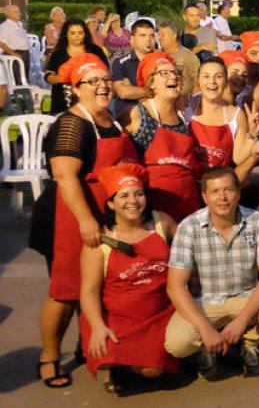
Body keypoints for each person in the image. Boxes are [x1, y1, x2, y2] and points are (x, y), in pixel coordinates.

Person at [36, 53, 139, 389]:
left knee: (96, 286)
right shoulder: (71, 123)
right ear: (76, 89)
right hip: (69, 213)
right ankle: (49, 357)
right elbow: (65, 177)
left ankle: (87, 348)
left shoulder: (113, 119)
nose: (102, 86)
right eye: (92, 81)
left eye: (105, 79)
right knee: (65, 290)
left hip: (106, 212)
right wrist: (84, 220)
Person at [164, 168, 259, 377]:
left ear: (238, 193)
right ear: (204, 196)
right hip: (204, 301)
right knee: (177, 344)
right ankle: (207, 348)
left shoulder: (257, 221)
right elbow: (175, 286)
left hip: (245, 295)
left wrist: (242, 321)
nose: (222, 197)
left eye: (228, 190)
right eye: (215, 191)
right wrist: (206, 330)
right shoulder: (188, 227)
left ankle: (248, 341)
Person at [79, 163, 179, 394]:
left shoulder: (162, 222)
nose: (132, 201)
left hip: (161, 314)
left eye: (138, 194)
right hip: (118, 317)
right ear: (111, 203)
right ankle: (116, 366)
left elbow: (191, 249)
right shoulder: (101, 241)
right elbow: (89, 291)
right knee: (107, 351)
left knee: (154, 371)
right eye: (123, 196)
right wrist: (97, 326)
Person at [123, 52, 204, 222]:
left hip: (188, 206)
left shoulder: (183, 114)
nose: (173, 76)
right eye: (165, 73)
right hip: (154, 211)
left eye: (175, 73)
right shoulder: (136, 114)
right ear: (151, 83)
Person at [188, 57, 258, 173]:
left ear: (226, 82)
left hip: (217, 184)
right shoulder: (187, 106)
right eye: (206, 76)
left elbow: (238, 158)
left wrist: (253, 134)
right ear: (198, 81)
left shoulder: (236, 115)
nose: (212, 81)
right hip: (188, 184)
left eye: (219, 76)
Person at [44, 17, 108, 114]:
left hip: (92, 99)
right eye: (72, 33)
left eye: (80, 33)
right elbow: (48, 74)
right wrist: (62, 78)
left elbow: (106, 72)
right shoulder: (58, 53)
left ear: (85, 34)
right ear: (66, 35)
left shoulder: (96, 51)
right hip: (62, 101)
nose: (77, 36)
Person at [109, 18, 157, 120]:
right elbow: (123, 92)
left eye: (151, 35)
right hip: (130, 116)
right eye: (143, 35)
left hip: (158, 112)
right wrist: (155, 92)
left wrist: (135, 91)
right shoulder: (120, 62)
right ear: (132, 39)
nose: (148, 39)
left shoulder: (162, 62)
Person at [154, 19, 199, 96]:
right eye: (159, 35)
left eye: (163, 35)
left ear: (174, 35)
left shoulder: (189, 56)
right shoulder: (155, 55)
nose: (159, 38)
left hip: (182, 102)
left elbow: (197, 83)